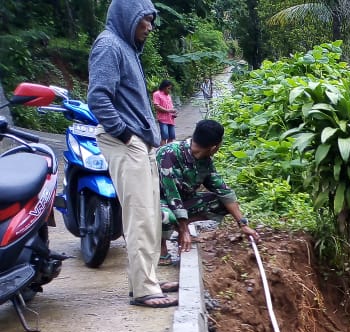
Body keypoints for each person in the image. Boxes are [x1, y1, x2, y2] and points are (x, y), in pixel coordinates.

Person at [87, 0, 177, 308]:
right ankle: (144, 290)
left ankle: (147, 279)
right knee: (139, 215)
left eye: (151, 20)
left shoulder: (127, 48)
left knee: (150, 215)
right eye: (145, 20)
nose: (150, 27)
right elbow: (98, 97)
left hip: (140, 141)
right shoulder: (109, 46)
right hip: (126, 141)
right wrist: (125, 134)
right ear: (128, 17)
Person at [157, 119, 260, 261]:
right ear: (214, 147)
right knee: (166, 216)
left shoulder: (205, 161)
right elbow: (172, 196)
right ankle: (161, 249)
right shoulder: (168, 154)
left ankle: (182, 224)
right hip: (158, 202)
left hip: (183, 201)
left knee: (222, 203)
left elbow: (223, 191)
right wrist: (183, 231)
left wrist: (242, 224)